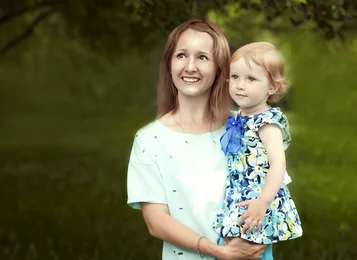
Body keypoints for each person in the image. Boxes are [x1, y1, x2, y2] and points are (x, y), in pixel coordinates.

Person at [127, 19, 267, 260]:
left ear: (219, 68)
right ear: (169, 64)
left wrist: (256, 240)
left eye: (203, 57)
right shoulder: (149, 140)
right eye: (181, 55)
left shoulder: (249, 128)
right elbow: (156, 222)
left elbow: (273, 195)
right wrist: (219, 252)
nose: (190, 67)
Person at [214, 42, 303, 260]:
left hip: (257, 200)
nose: (239, 85)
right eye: (234, 77)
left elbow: (278, 164)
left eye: (250, 79)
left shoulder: (267, 122)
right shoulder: (238, 116)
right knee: (231, 250)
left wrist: (262, 202)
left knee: (249, 253)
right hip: (238, 197)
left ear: (272, 87)